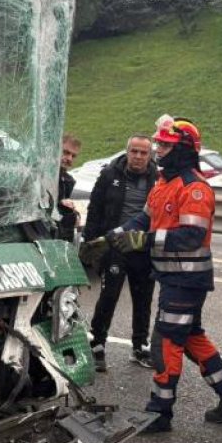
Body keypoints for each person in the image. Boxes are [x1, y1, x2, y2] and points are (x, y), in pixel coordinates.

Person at [111, 115, 222, 433]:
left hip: (187, 279)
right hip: (173, 277)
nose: (159, 150)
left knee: (165, 342)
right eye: (159, 144)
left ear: (184, 150)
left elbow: (190, 237)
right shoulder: (163, 183)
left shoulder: (195, 189)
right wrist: (113, 236)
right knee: (190, 337)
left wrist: (142, 242)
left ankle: (159, 413)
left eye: (165, 145)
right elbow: (143, 220)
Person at [82, 134, 156, 372]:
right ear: (127, 151)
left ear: (150, 155)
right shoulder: (109, 174)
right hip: (114, 246)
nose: (138, 156)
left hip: (142, 247)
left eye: (143, 152)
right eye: (134, 151)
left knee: (143, 297)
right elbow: (94, 207)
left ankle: (139, 346)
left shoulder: (159, 179)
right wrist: (90, 242)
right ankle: (97, 344)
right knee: (109, 295)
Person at [56, 134, 81, 242]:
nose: (69, 159)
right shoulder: (37, 176)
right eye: (66, 152)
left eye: (73, 156)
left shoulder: (69, 181)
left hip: (63, 240)